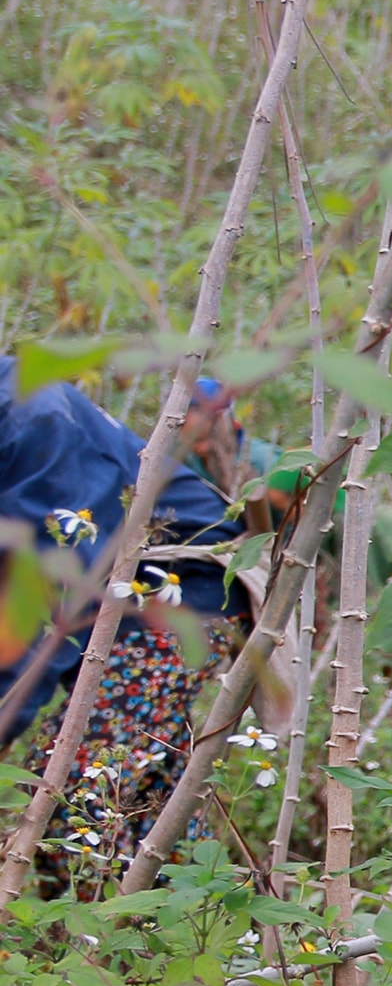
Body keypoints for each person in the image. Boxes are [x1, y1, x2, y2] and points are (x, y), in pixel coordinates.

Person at [0, 383, 246, 894]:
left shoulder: (35, 418)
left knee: (68, 802)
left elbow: (42, 603)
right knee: (151, 812)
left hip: (178, 602)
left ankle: (82, 953)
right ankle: (197, 928)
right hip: (113, 605)